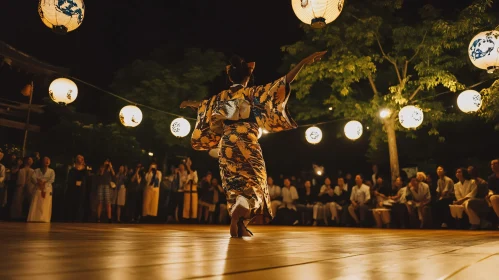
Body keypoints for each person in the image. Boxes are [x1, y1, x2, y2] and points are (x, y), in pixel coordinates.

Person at [181, 51, 326, 237]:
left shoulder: (221, 97)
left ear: (229, 76)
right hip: (246, 143)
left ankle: (240, 222)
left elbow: (203, 106)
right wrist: (303, 62)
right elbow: (284, 82)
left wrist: (189, 103)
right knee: (255, 184)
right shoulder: (252, 94)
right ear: (248, 76)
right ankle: (240, 213)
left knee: (234, 184)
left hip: (226, 146)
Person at [27, 157, 55, 223]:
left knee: (46, 204)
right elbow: (33, 178)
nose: (47, 161)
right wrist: (38, 183)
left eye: (48, 160)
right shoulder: (37, 170)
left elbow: (52, 180)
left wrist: (44, 184)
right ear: (42, 161)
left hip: (47, 189)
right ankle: (35, 217)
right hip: (38, 187)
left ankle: (44, 218)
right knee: (36, 202)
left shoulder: (51, 171)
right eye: (45, 160)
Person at [65, 155, 88, 222]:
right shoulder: (73, 169)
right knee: (73, 202)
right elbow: (70, 179)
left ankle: (79, 218)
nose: (80, 160)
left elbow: (86, 177)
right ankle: (72, 217)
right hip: (73, 188)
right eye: (79, 158)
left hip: (81, 188)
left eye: (81, 158)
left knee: (80, 203)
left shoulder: (84, 169)